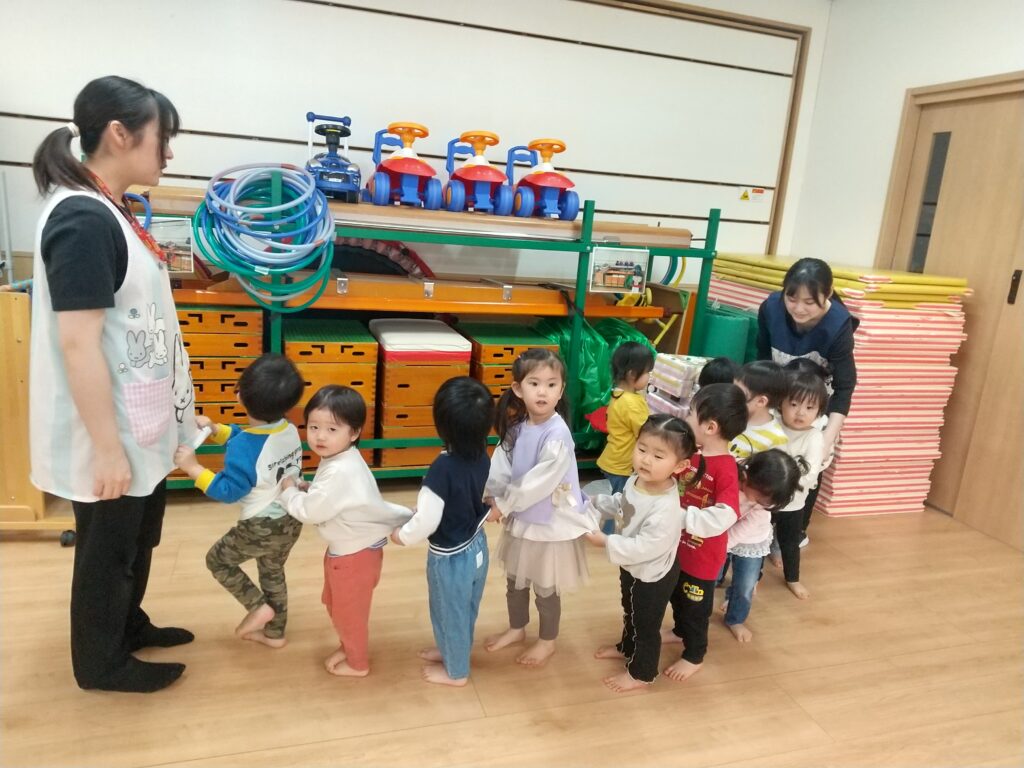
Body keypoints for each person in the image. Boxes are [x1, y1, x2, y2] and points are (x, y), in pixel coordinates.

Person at [29, 76, 194, 693]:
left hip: (139, 416)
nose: (168, 153)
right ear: (120, 134)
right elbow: (78, 343)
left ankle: (128, 624)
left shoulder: (111, 209)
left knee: (138, 535)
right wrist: (105, 449)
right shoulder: (82, 218)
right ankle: (101, 663)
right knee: (108, 548)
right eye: (162, 137)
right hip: (108, 426)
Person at [278, 385, 412, 677]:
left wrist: (289, 492)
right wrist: (310, 489)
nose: (320, 436)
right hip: (350, 549)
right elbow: (336, 499)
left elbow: (311, 511)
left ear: (354, 433)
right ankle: (349, 646)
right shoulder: (342, 458)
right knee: (338, 605)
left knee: (348, 614)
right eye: (314, 427)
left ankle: (357, 663)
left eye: (332, 429)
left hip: (353, 556)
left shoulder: (340, 469)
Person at [173, 354, 305, 648]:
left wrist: (193, 468)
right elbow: (250, 437)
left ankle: (258, 607)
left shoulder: (244, 447)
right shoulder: (288, 428)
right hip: (291, 519)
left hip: (260, 526)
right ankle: (274, 633)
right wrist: (215, 429)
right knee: (272, 572)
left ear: (239, 395)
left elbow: (228, 491)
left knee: (218, 561)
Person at [484, 348, 591, 667]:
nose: (542, 391)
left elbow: (539, 482)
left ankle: (547, 640)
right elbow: (501, 465)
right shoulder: (518, 428)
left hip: (550, 524)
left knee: (545, 588)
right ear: (518, 389)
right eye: (534, 383)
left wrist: (505, 503)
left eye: (551, 384)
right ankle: (517, 628)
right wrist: (492, 496)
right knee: (515, 581)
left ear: (561, 390)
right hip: (523, 519)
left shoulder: (558, 434)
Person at [391, 377, 495, 687]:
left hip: (451, 558)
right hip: (477, 547)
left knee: (449, 611)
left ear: (441, 425)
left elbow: (427, 521)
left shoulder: (441, 470)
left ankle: (457, 672)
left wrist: (401, 535)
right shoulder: (482, 455)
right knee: (465, 608)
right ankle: (452, 651)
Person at [585, 415, 696, 692]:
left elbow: (647, 547)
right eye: (642, 449)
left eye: (658, 456)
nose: (646, 460)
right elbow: (624, 505)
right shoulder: (637, 481)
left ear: (680, 465)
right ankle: (627, 647)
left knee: (646, 624)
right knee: (630, 608)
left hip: (653, 574)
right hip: (632, 565)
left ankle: (641, 673)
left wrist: (605, 542)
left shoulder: (666, 508)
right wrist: (598, 502)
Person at [757, 257, 858, 537]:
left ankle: (795, 532)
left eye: (809, 302)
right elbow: (761, 359)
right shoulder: (771, 308)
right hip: (778, 399)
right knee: (771, 456)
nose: (798, 308)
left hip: (815, 407)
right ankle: (761, 527)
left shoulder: (838, 325)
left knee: (810, 464)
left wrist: (827, 438)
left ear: (828, 294)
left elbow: (845, 386)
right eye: (791, 298)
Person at [661, 383, 747, 683]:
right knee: (676, 597)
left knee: (695, 609)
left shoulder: (726, 468)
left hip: (702, 559)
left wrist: (685, 518)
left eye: (691, 413)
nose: (686, 418)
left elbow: (727, 514)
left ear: (710, 427)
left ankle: (694, 654)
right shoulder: (692, 456)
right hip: (677, 549)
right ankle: (678, 631)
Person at [719, 449, 804, 642]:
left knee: (745, 586)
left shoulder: (762, 508)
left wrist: (715, 549)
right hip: (721, 534)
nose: (762, 504)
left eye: (768, 503)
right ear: (747, 477)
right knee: (713, 575)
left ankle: (735, 619)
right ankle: (721, 588)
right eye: (759, 499)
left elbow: (736, 534)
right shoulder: (734, 473)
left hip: (750, 542)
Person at [774, 370, 829, 599]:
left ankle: (792, 578)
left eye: (809, 407)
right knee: (756, 538)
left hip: (792, 503)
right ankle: (752, 579)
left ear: (819, 411)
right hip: (764, 499)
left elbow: (810, 474)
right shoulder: (773, 425)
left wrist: (780, 477)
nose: (800, 412)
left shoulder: (814, 437)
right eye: (794, 404)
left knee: (790, 543)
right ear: (781, 403)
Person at [596, 342, 655, 497]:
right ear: (632, 374)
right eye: (647, 372)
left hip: (613, 458)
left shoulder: (619, 394)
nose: (649, 377)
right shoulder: (631, 404)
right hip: (622, 466)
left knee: (617, 499)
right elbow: (645, 433)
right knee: (622, 502)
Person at [729, 360, 789, 459]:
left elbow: (772, 468)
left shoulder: (776, 439)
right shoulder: (730, 416)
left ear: (761, 401)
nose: (731, 396)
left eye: (739, 393)